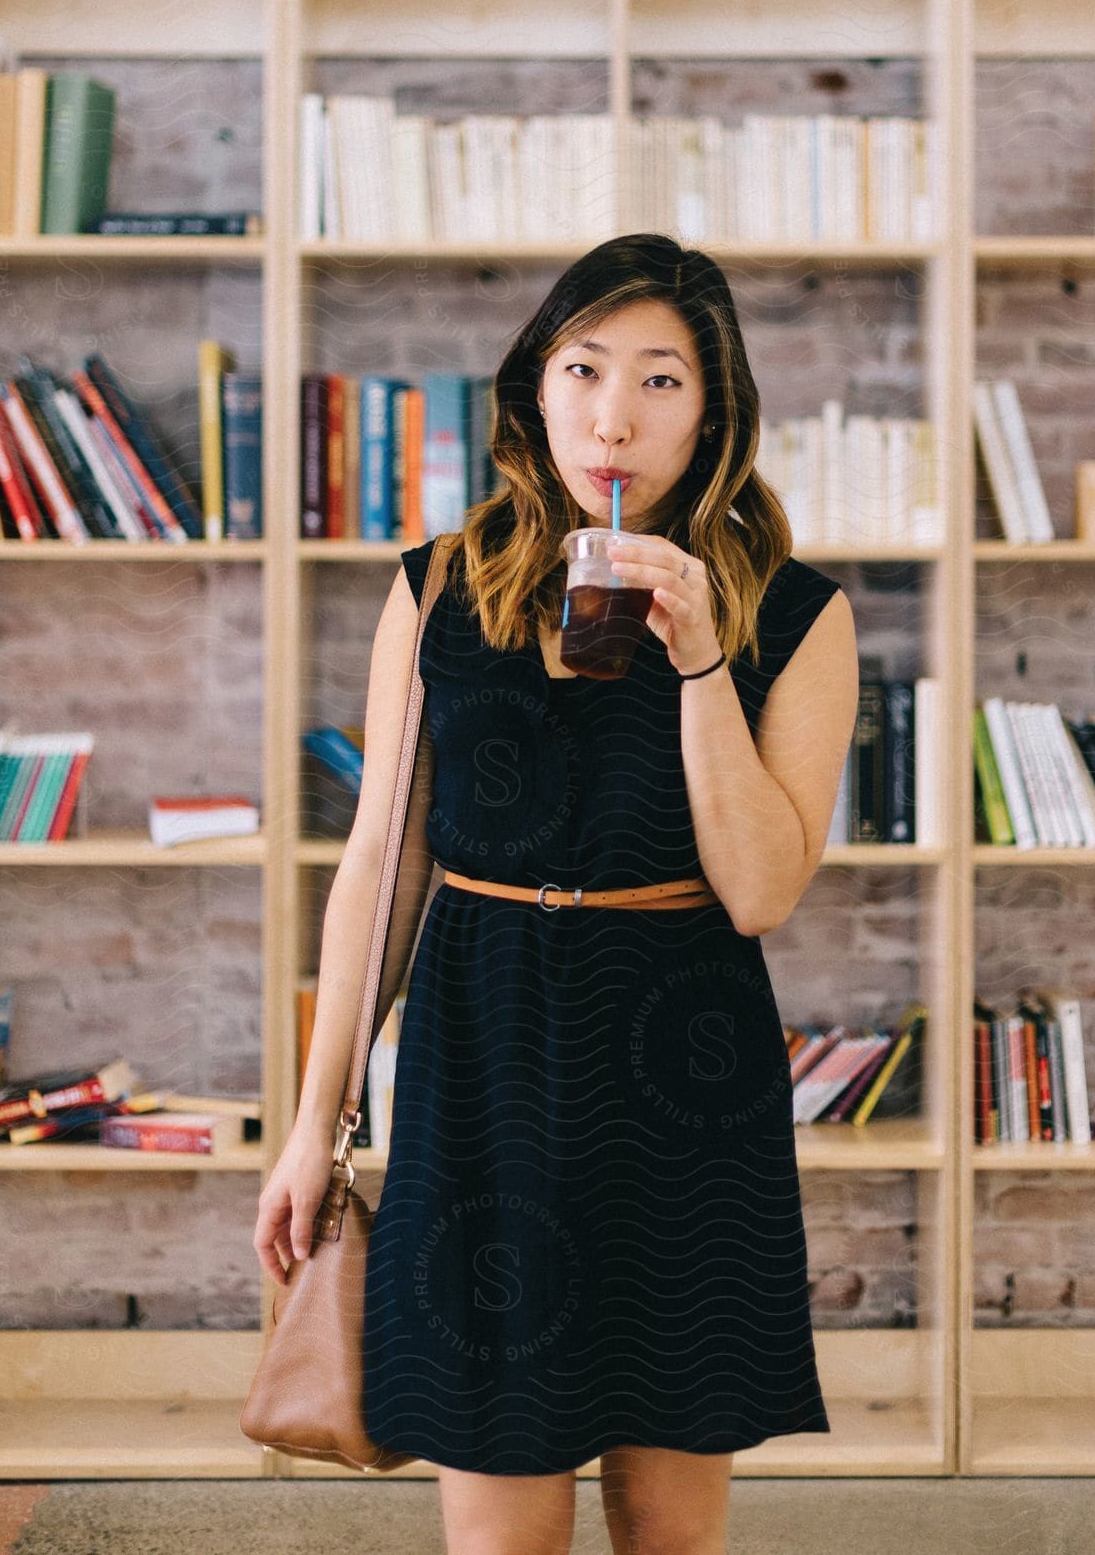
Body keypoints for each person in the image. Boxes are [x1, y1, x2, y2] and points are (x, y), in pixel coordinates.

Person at [254, 232, 858, 1554]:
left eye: (661, 381)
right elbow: (382, 862)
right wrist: (317, 1121)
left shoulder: (796, 617)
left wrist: (701, 660)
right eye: (584, 370)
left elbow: (759, 889)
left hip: (684, 1082)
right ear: (537, 385)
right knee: (500, 1534)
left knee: (670, 1533)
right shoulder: (437, 589)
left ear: (715, 413)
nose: (614, 417)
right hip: (483, 1072)